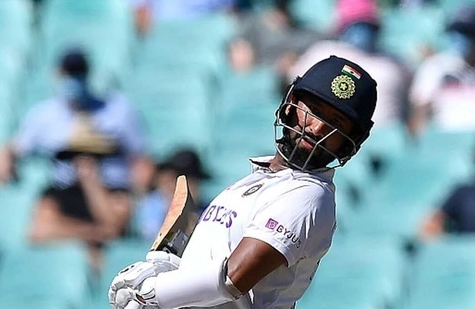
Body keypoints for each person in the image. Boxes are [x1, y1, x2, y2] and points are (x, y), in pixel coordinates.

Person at [108, 55, 377, 309]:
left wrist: (151, 291)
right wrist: (170, 268)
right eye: (314, 110)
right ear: (291, 103)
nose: (317, 128)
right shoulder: (256, 182)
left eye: (335, 122)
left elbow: (232, 278)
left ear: (349, 141)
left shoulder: (309, 195)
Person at [0, 47, 153, 269]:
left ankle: (102, 238)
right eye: (69, 73)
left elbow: (140, 158)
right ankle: (95, 235)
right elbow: (16, 150)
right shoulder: (43, 116)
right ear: (58, 75)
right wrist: (2, 156)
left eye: (78, 73)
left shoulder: (118, 110)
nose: (73, 80)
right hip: (65, 190)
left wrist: (139, 192)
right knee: (40, 224)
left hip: (108, 188)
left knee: (116, 213)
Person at [290, 0, 411, 129]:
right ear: (343, 26)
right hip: (335, 132)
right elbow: (295, 88)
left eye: (367, 24)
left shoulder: (395, 62)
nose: (363, 30)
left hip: (389, 137)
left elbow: (414, 101)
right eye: (356, 23)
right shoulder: (323, 52)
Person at [408, 4, 475, 139]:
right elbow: (419, 113)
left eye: (467, 32)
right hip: (445, 143)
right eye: (456, 32)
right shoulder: (436, 66)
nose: (460, 38)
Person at [133, 148, 211, 241]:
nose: (189, 186)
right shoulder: (149, 208)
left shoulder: (208, 211)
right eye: (180, 179)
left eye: (193, 180)